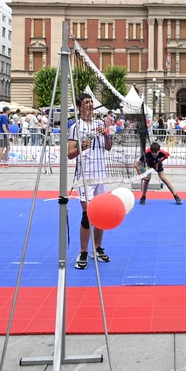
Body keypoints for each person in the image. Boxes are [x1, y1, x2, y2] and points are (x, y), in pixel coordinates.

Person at [68, 94, 113, 270]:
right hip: (85, 177)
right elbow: (69, 154)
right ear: (79, 107)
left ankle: (97, 247)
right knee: (88, 215)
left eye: (91, 102)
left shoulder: (100, 124)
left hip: (101, 175)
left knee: (101, 215)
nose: (90, 105)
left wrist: (107, 135)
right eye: (86, 103)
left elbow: (108, 147)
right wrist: (81, 147)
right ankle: (83, 251)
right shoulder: (75, 127)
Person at [137, 141, 182, 206]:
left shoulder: (162, 153)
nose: (154, 154)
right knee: (147, 180)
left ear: (159, 150)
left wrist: (158, 163)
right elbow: (137, 165)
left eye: (156, 152)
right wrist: (141, 175)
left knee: (163, 178)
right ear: (151, 151)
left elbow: (167, 155)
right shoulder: (146, 153)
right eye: (153, 153)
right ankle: (143, 197)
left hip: (157, 163)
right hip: (148, 165)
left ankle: (176, 196)